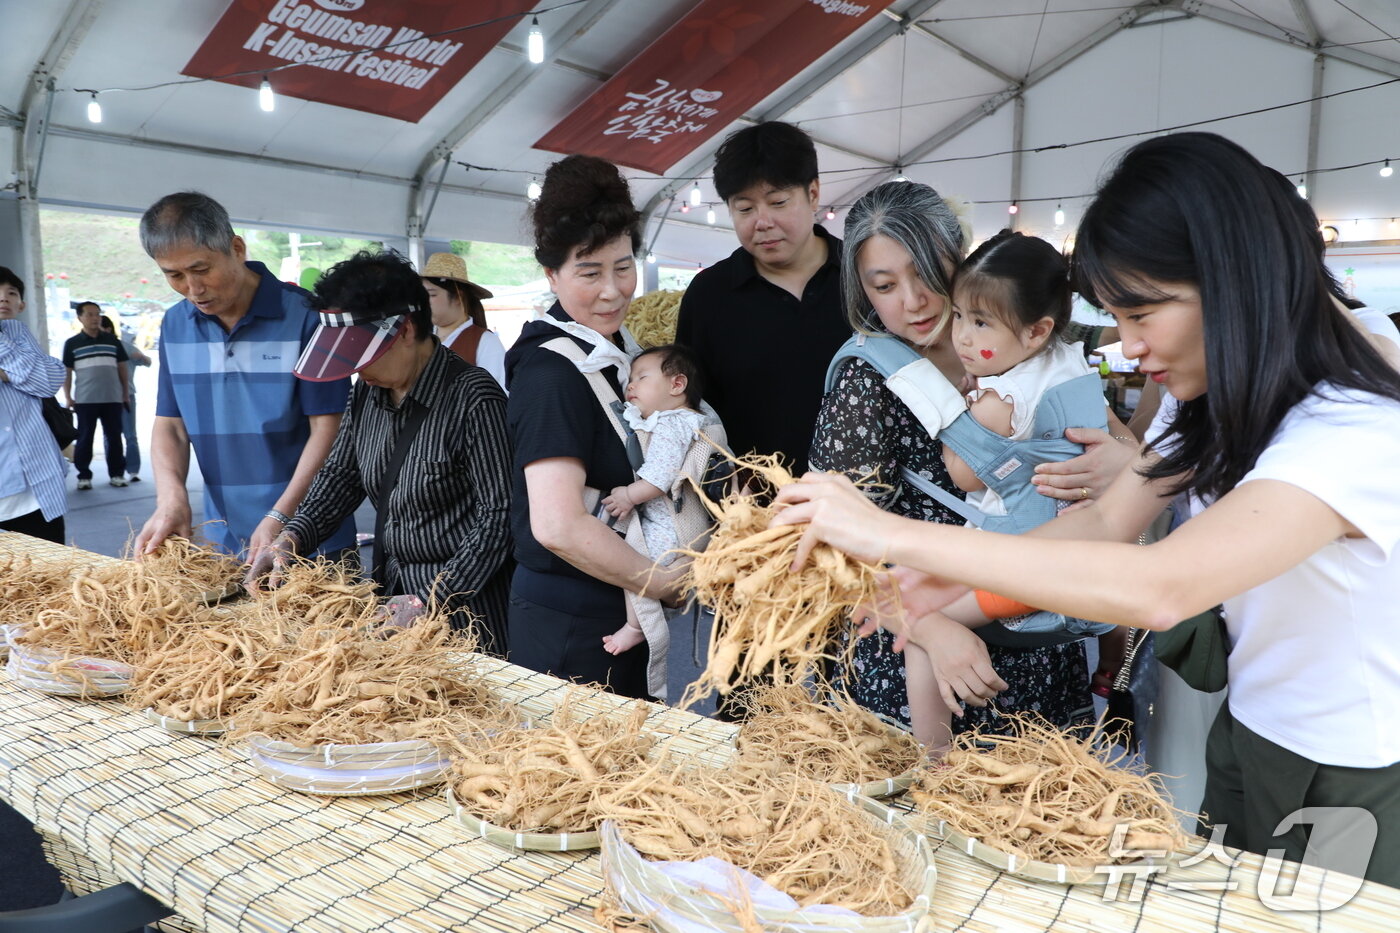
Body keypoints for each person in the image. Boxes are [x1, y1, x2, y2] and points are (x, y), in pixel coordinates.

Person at [775, 132, 1400, 884]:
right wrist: (948, 592)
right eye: (1116, 316)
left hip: (1353, 763)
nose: (1128, 348)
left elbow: (1160, 586)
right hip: (1250, 727)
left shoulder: (1352, 427)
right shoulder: (1209, 397)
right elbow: (1104, 523)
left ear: (1235, 280)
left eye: (1143, 314)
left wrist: (894, 536)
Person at [810, 182, 1097, 752]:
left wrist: (1112, 463)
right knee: (930, 795)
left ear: (959, 258)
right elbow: (829, 545)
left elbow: (1109, 441)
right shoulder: (868, 381)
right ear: (861, 290)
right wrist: (930, 628)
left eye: (927, 272)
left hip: (1040, 641)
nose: (913, 300)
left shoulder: (1028, 350)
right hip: (920, 653)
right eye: (884, 286)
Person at [246, 251, 514, 653]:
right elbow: (341, 477)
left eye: (364, 357)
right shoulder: (366, 394)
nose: (357, 370)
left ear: (405, 330)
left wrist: (431, 600)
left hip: (465, 611)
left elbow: (499, 516)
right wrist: (293, 536)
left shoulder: (474, 398)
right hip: (392, 595)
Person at [504, 154, 685, 701]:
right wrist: (663, 582)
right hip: (571, 619)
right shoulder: (550, 372)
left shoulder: (618, 350)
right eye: (589, 273)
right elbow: (557, 526)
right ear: (551, 275)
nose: (612, 290)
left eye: (623, 267)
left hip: (619, 596)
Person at [132, 191, 354, 560]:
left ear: (237, 248)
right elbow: (171, 424)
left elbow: (329, 429)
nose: (193, 289)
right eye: (175, 275)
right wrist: (171, 498)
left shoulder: (307, 318)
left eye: (202, 270)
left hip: (311, 536)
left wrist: (281, 516)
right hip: (226, 540)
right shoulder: (175, 324)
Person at [675, 121, 850, 476]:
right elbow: (691, 408)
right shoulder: (709, 295)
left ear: (813, 194)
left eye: (778, 202)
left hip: (866, 497)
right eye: (745, 209)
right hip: (751, 502)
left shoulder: (864, 277)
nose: (763, 222)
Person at [601, 344, 710, 656]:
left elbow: (661, 476)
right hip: (679, 523)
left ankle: (637, 626)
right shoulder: (687, 420)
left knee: (633, 563)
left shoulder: (671, 424)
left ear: (677, 384)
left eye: (642, 377)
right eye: (630, 379)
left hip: (669, 525)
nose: (631, 385)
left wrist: (628, 496)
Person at [0, 267, 68, 542]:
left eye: (11, 293)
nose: (3, 298)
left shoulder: (17, 333)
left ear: (21, 304)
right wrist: (16, 373)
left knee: (51, 565)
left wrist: (5, 373)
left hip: (37, 491)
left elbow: (47, 381)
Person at [62, 301, 128, 489]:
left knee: (114, 438)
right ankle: (84, 476)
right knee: (85, 437)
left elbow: (122, 368)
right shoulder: (72, 343)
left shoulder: (112, 341)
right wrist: (68, 397)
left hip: (112, 398)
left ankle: (117, 474)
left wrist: (125, 394)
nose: (95, 318)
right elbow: (67, 371)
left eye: (97, 314)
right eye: (90, 314)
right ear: (79, 318)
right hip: (85, 400)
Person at [420, 252, 507, 389]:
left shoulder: (487, 343)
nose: (423, 302)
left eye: (432, 294)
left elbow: (497, 395)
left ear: (457, 297)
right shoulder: (420, 338)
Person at [99, 314, 151, 482]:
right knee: (109, 436)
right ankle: (115, 471)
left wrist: (141, 357)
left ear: (108, 329)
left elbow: (148, 362)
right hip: (104, 397)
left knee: (130, 435)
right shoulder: (92, 348)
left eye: (98, 327)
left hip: (126, 396)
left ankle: (133, 470)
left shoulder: (124, 346)